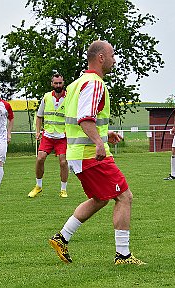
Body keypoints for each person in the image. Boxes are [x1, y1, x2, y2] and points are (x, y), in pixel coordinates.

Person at [48, 40, 145, 265]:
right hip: (90, 153)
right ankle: (123, 255)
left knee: (101, 198)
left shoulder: (76, 84)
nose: (114, 59)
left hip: (78, 153)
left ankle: (62, 237)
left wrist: (104, 134)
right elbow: (84, 118)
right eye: (112, 55)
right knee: (124, 196)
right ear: (100, 57)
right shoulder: (94, 83)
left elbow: (78, 118)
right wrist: (98, 143)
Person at [28, 73, 69, 198]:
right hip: (48, 135)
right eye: (55, 83)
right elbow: (39, 116)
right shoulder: (46, 97)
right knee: (40, 158)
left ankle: (63, 189)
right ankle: (38, 186)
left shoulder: (69, 97)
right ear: (52, 84)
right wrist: (38, 131)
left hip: (62, 136)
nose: (58, 85)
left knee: (63, 162)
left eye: (60, 83)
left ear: (63, 83)